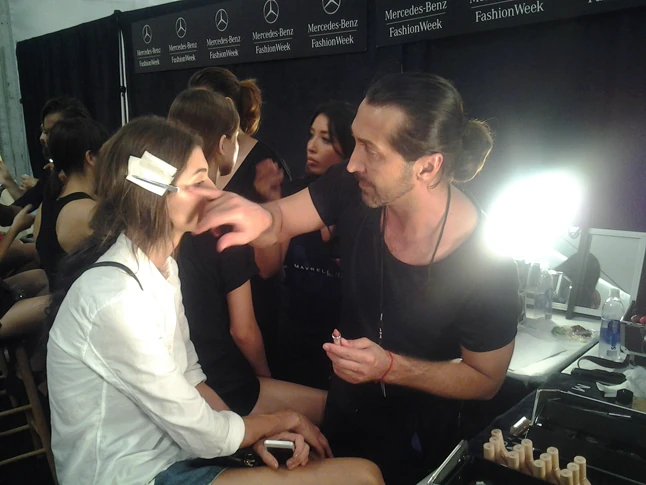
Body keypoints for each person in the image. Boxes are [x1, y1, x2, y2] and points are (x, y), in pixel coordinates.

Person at [189, 73, 521, 484]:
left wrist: (390, 367)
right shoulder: (354, 187)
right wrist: (257, 215)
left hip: (418, 440)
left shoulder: (488, 265)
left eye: (370, 150)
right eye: (356, 141)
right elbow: (280, 219)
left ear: (427, 166)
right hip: (344, 410)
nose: (352, 163)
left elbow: (486, 379)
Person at [45, 116, 383, 485]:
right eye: (197, 182)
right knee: (362, 477)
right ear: (153, 193)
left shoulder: (162, 270)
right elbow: (201, 433)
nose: (213, 190)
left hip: (175, 455)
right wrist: (280, 420)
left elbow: (192, 378)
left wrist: (253, 437)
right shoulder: (117, 299)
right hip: (130, 475)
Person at [168, 88, 327, 423]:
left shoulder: (160, 216)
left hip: (179, 377)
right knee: (341, 411)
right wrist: (266, 379)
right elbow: (243, 332)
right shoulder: (224, 222)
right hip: (222, 383)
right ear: (224, 144)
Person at [188, 67, 291, 370]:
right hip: (203, 319)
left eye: (200, 107)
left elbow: (270, 267)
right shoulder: (185, 170)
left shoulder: (265, 165)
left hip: (251, 315)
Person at [255, 102, 356, 389]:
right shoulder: (292, 195)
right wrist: (269, 201)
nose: (311, 146)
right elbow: (267, 268)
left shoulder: (363, 202)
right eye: (311, 135)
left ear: (350, 147)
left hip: (347, 341)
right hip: (293, 336)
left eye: (325, 139)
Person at [34, 117, 108, 286]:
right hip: (84, 300)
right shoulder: (90, 212)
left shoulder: (44, 209)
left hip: (59, 301)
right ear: (91, 157)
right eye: (107, 153)